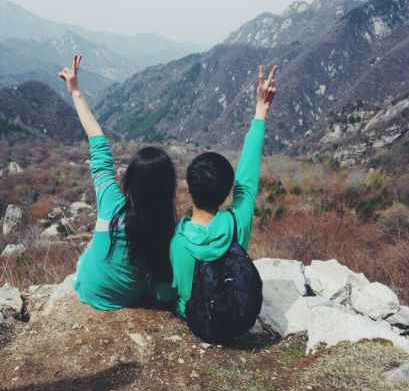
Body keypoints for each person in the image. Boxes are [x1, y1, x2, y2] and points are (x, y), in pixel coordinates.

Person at [58, 54, 178, 310]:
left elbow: (99, 144)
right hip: (127, 298)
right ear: (168, 189)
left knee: (90, 252)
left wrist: (75, 91)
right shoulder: (166, 228)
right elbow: (164, 290)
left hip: (88, 287)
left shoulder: (111, 202)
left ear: (130, 180)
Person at [169, 64, 278, 318]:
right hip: (234, 314)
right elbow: (247, 181)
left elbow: (175, 290)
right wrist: (261, 110)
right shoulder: (237, 222)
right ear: (228, 192)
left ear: (189, 189)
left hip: (196, 319)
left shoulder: (178, 240)